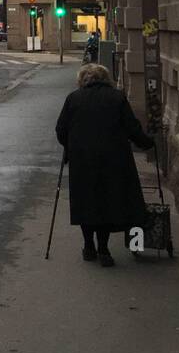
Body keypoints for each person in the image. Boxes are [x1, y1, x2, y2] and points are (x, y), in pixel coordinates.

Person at [54, 63, 154, 266]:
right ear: (106, 78)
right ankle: (103, 248)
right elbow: (131, 127)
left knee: (86, 202)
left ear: (83, 80)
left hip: (82, 160)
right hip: (113, 160)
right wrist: (147, 143)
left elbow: (60, 128)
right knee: (106, 201)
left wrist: (69, 148)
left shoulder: (73, 98)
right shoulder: (117, 98)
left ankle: (88, 246)